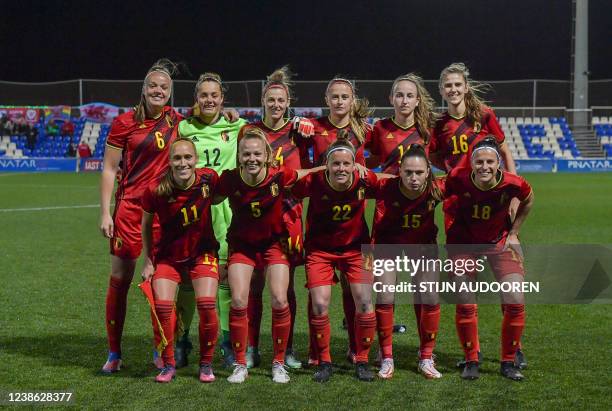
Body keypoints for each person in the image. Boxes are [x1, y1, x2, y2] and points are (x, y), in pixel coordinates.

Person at [431, 62, 525, 368]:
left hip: (493, 202)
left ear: (465, 87)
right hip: (459, 204)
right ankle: (473, 352)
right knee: (464, 285)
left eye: (458, 85)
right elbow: (433, 155)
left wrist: (511, 189)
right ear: (442, 90)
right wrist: (449, 172)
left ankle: (515, 347)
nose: (454, 90)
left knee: (507, 282)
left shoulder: (482, 114)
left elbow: (504, 149)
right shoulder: (439, 123)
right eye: (448, 86)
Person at [213, 127, 318, 384]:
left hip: (274, 246)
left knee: (280, 299)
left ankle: (279, 362)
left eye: (257, 154)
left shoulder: (278, 176)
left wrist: (341, 168)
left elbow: (307, 173)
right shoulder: (229, 179)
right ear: (238, 156)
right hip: (242, 247)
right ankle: (240, 363)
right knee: (238, 300)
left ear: (267, 156)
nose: (252, 159)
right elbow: (204, 198)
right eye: (246, 154)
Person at [99, 59, 181, 373]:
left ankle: (161, 351)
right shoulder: (123, 123)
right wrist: (105, 212)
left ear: (170, 93)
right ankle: (114, 352)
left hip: (163, 213)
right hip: (129, 211)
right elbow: (109, 169)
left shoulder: (178, 121)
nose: (158, 90)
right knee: (120, 280)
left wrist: (229, 113)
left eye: (164, 87)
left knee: (158, 283)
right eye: (153, 86)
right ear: (143, 90)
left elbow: (210, 117)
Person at [241, 66, 314, 370]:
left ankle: (288, 349)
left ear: (287, 103)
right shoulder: (250, 133)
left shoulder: (298, 133)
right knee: (255, 284)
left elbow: (309, 169)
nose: (275, 105)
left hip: (289, 217)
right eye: (270, 100)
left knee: (286, 288)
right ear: (263, 101)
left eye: (280, 100)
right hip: (255, 216)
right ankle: (252, 348)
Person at [296, 77, 373, 364]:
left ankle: (356, 347)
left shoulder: (363, 130)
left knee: (353, 292)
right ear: (326, 99)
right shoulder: (312, 127)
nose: (340, 101)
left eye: (345, 97)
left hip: (354, 225)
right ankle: (317, 352)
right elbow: (301, 164)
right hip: (320, 222)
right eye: (335, 97)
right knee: (318, 294)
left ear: (352, 100)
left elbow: (377, 158)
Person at [444, 137, 534, 381]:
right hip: (463, 244)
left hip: (499, 243)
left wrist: (514, 232)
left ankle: (508, 360)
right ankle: (472, 358)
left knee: (515, 297)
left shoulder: (512, 183)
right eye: (480, 162)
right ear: (472, 164)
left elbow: (528, 199)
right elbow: (433, 194)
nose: (485, 166)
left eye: (490, 162)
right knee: (464, 299)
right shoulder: (457, 178)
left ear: (499, 164)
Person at [291, 131, 378, 383]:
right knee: (319, 304)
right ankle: (325, 361)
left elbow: (391, 183)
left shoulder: (364, 180)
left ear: (355, 165)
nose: (341, 168)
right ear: (326, 164)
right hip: (320, 250)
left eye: (346, 163)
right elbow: (288, 183)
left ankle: (362, 360)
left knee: (364, 301)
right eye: (335, 163)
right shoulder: (314, 181)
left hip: (358, 249)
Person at [177, 72, 247, 369]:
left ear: (222, 98)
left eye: (214, 95)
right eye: (203, 95)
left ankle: (228, 343)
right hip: (191, 212)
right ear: (197, 98)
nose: (209, 100)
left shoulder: (237, 125)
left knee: (226, 279)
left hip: (226, 210)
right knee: (187, 279)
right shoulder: (183, 127)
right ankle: (181, 339)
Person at [140, 138, 220, 383]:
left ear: (196, 159)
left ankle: (206, 364)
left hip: (202, 253)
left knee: (207, 304)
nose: (183, 163)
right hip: (169, 256)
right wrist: (148, 260)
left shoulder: (209, 180)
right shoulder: (155, 189)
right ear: (169, 161)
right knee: (163, 307)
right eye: (177, 158)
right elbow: (145, 226)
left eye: (188, 157)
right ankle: (168, 364)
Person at [371, 144, 443, 380]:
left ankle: (426, 357)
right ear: (399, 171)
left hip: (422, 244)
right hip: (388, 242)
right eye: (408, 172)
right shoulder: (385, 186)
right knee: (385, 295)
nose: (414, 178)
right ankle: (387, 357)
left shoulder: (437, 189)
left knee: (430, 296)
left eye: (419, 172)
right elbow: (355, 176)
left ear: (428, 172)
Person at [368, 73, 437, 174]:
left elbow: (437, 158)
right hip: (388, 188)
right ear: (391, 99)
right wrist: (354, 164)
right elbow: (375, 160)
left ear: (417, 101)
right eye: (399, 95)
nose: (405, 101)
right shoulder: (380, 127)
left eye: (410, 96)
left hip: (417, 188)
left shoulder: (427, 129)